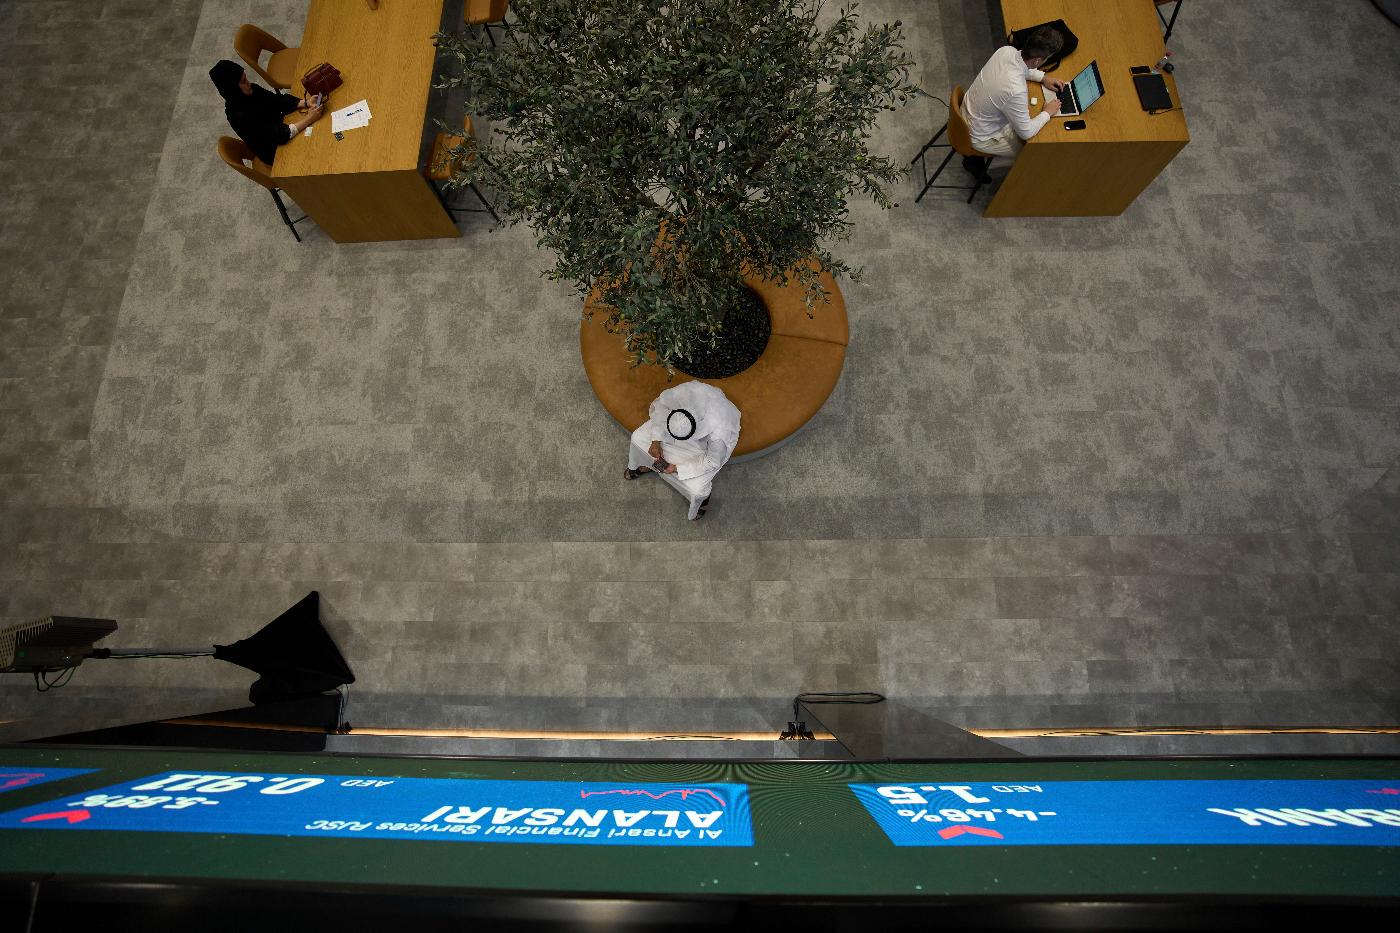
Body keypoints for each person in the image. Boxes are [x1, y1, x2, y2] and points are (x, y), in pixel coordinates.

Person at [960, 26, 1066, 181]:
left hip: (965, 111)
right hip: (977, 136)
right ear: (1038, 60)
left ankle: (976, 160)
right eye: (1047, 58)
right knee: (1029, 150)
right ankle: (978, 164)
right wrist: (1047, 113)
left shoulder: (1006, 51)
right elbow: (1026, 132)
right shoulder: (1015, 90)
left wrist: (1043, 77)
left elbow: (1021, 67)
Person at [623, 382, 741, 521]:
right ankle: (645, 464)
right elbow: (661, 407)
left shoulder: (720, 432)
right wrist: (656, 440)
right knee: (638, 438)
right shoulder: (684, 394)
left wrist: (677, 468)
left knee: (696, 489)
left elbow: (712, 460)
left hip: (704, 446)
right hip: (673, 425)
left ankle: (702, 500)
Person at [209, 60, 325, 166]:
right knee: (316, 153)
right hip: (275, 151)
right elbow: (279, 135)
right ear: (233, 89)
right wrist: (309, 119)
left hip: (282, 126)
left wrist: (305, 103)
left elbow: (276, 100)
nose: (249, 83)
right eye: (243, 81)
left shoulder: (251, 90)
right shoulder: (240, 117)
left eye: (246, 78)